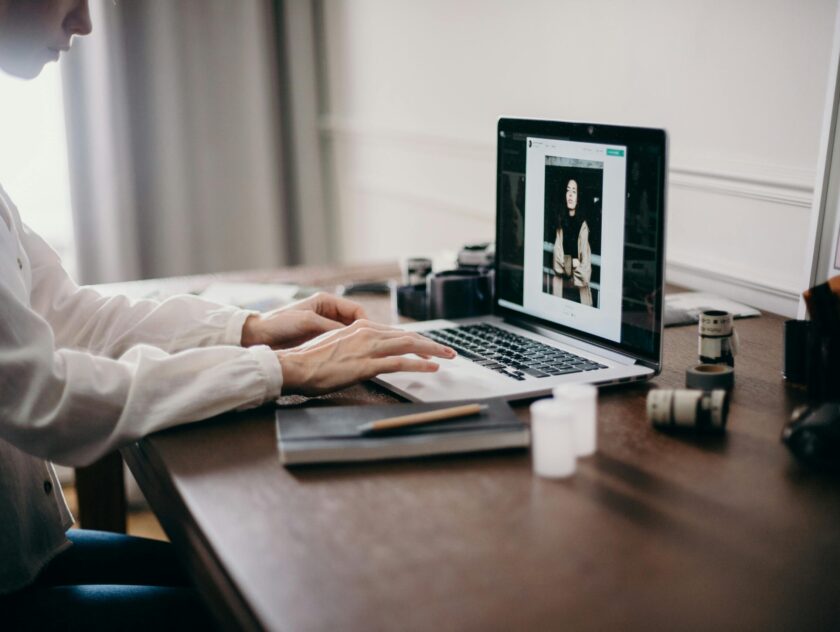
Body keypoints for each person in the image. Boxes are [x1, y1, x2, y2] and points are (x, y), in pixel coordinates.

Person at [0, 1, 455, 629]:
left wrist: (247, 330)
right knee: (284, 606)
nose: (84, 24)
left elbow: (69, 314)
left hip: (25, 557)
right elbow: (41, 398)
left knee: (269, 582)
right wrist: (279, 370)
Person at [552, 177, 593, 306]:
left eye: (574, 191)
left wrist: (566, 265)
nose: (570, 194)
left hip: (578, 293)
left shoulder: (583, 226)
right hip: (561, 289)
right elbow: (556, 263)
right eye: (568, 190)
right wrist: (572, 263)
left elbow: (585, 271)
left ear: (578, 196)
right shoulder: (560, 224)